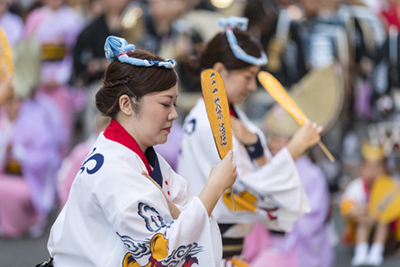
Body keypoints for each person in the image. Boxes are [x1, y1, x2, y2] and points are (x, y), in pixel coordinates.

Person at [42, 36, 237, 267]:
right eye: (166, 104)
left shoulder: (137, 154)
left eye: (174, 104)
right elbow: (161, 254)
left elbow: (179, 212)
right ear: (126, 105)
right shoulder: (114, 168)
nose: (174, 114)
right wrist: (214, 187)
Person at [178, 16, 323, 265]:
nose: (253, 86)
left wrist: (256, 144)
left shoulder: (232, 115)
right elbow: (248, 189)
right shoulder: (205, 124)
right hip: (213, 251)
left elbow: (259, 175)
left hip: (229, 249)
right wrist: (295, 148)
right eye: (247, 77)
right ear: (220, 71)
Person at [340, 142, 395, 266]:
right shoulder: (356, 187)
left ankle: (377, 252)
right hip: (363, 225)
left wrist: (377, 215)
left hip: (385, 231)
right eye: (369, 167)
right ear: (362, 167)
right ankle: (361, 252)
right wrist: (366, 214)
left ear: (385, 169)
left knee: (383, 219)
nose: (373, 172)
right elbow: (347, 211)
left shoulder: (391, 187)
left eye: (377, 167)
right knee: (362, 221)